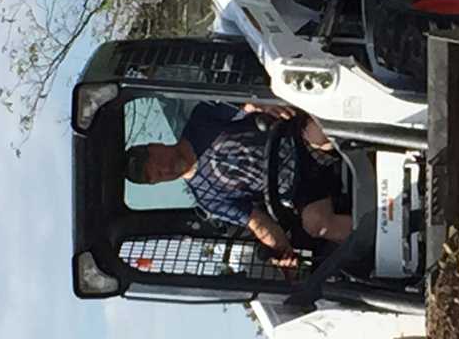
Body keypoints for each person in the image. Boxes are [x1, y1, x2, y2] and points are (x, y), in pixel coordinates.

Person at [124, 101, 351, 268]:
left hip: (298, 139)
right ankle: (381, 237)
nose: (166, 170)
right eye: (158, 176)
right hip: (302, 190)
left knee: (320, 134)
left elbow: (247, 103)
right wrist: (283, 252)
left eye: (157, 162)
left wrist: (262, 105)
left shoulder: (201, 119)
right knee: (317, 225)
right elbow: (257, 222)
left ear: (156, 146)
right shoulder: (208, 199)